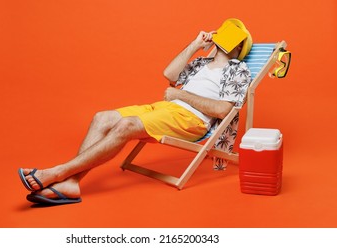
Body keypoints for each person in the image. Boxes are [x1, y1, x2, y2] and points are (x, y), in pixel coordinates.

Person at [18, 18, 253, 205]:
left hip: (191, 120)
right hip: (167, 108)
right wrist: (195, 45)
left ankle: (59, 172)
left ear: (240, 45)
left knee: (126, 126)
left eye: (233, 32)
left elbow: (223, 110)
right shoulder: (201, 63)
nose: (224, 33)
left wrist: (179, 95)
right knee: (102, 117)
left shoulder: (238, 69)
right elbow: (170, 75)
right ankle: (71, 183)